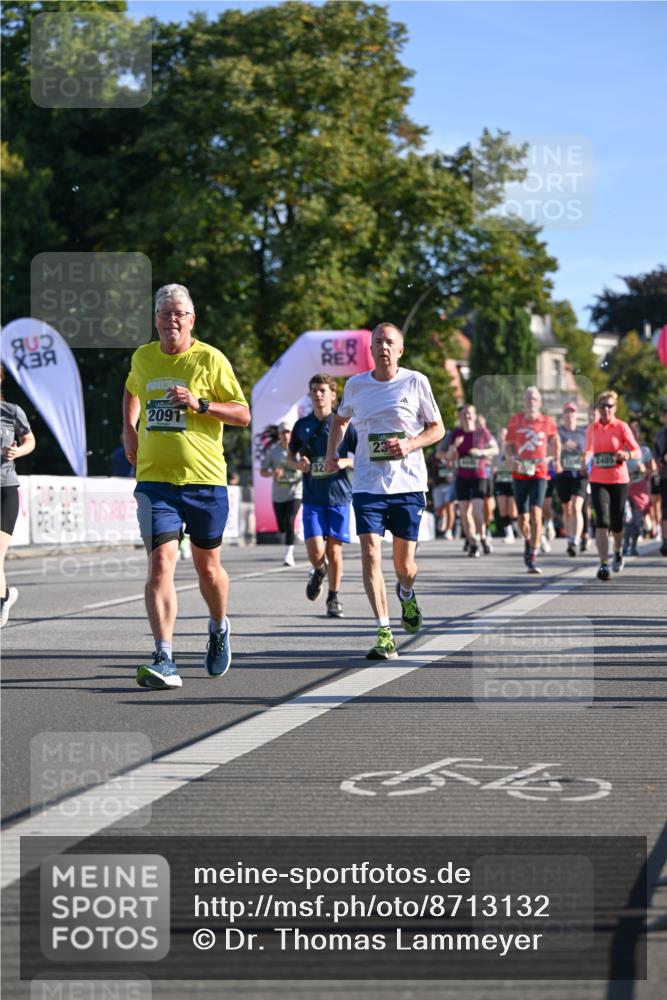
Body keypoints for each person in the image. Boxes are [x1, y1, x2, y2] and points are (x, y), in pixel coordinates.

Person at [123, 283, 250, 689]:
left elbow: (243, 414)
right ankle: (165, 656)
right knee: (161, 563)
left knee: (207, 568)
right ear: (155, 319)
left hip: (204, 481)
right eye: (164, 313)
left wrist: (201, 405)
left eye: (179, 313)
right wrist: (129, 429)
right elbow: (131, 388)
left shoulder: (210, 359)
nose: (171, 320)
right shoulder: (143, 357)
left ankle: (217, 626)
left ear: (192, 320)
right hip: (156, 481)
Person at [324, 322, 444, 659]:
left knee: (404, 566)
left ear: (400, 350)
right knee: (371, 554)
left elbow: (437, 429)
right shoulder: (356, 385)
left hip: (408, 483)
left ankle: (406, 592)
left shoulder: (415, 381)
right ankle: (384, 632)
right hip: (368, 484)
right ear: (372, 349)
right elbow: (339, 420)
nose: (384, 347)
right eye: (378, 341)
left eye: (390, 342)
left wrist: (410, 444)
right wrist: (333, 454)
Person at [287, 374, 357, 618]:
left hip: (339, 496)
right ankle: (319, 570)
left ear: (333, 394)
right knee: (316, 552)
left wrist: (344, 462)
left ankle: (333, 597)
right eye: (314, 390)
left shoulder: (346, 424)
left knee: (334, 550)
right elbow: (291, 457)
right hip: (313, 497)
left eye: (323, 390)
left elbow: (362, 459)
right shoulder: (301, 425)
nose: (318, 394)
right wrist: (300, 465)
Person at [584, 390, 640, 580]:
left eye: (610, 406)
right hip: (598, 479)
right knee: (602, 521)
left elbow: (637, 451)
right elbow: (588, 450)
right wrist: (585, 459)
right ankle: (603, 564)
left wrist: (627, 455)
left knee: (616, 524)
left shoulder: (622, 427)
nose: (606, 409)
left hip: (618, 480)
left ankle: (617, 551)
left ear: (615, 408)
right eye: (603, 406)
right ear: (598, 408)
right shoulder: (592, 429)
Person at [505, 386, 561, 574]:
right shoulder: (515, 421)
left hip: (540, 472)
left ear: (540, 402)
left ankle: (533, 554)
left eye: (534, 398)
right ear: (523, 402)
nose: (531, 401)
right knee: (523, 518)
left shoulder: (547, 422)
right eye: (528, 398)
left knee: (536, 514)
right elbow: (509, 445)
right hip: (520, 472)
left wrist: (554, 458)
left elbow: (555, 441)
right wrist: (511, 458)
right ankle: (528, 541)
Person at [0, 372, 36, 627]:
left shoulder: (11, 411)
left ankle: (2, 601)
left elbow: (30, 440)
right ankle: (5, 596)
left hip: (5, 488)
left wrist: (18, 451)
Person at [446, 404, 497, 558]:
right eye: (464, 414)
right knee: (464, 512)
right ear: (460, 417)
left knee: (476, 511)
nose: (467, 416)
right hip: (462, 476)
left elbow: (495, 449)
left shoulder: (482, 432)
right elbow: (448, 457)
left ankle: (483, 536)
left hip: (479, 475)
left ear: (474, 416)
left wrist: (480, 452)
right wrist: (455, 446)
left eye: (469, 414)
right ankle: (473, 543)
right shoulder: (456, 434)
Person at [260, 422, 302, 566]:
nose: (285, 435)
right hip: (278, 494)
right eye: (282, 432)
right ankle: (292, 535)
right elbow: (263, 471)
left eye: (288, 432)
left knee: (290, 520)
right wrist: (272, 473)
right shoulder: (273, 451)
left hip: (296, 492)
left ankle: (288, 554)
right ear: (278, 435)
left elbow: (308, 464)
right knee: (282, 526)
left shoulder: (300, 449)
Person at [553, 402, 588, 557]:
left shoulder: (583, 432)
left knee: (576, 507)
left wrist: (585, 463)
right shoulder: (558, 433)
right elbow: (553, 450)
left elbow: (590, 450)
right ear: (563, 415)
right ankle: (569, 537)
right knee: (566, 509)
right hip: (564, 474)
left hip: (580, 474)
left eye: (572, 412)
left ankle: (575, 539)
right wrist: (558, 459)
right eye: (567, 412)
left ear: (576, 415)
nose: (570, 415)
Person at [623, 420, 654, 556]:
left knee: (636, 520)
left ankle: (634, 544)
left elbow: (652, 470)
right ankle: (624, 543)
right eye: (630, 432)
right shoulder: (621, 451)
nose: (633, 435)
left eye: (635, 432)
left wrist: (644, 469)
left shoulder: (644, 451)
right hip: (623, 489)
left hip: (639, 490)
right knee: (625, 518)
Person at [491, 427, 517, 543]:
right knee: (502, 508)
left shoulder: (513, 449)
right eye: (501, 435)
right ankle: (509, 532)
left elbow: (514, 465)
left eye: (505, 435)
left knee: (512, 510)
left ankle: (517, 525)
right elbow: (491, 466)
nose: (503, 437)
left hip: (512, 481)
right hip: (500, 481)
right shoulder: (495, 450)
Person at [653, 405, 667, 555]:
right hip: (664, 476)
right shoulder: (660, 435)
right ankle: (665, 541)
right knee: (665, 510)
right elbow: (655, 457)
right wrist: (661, 460)